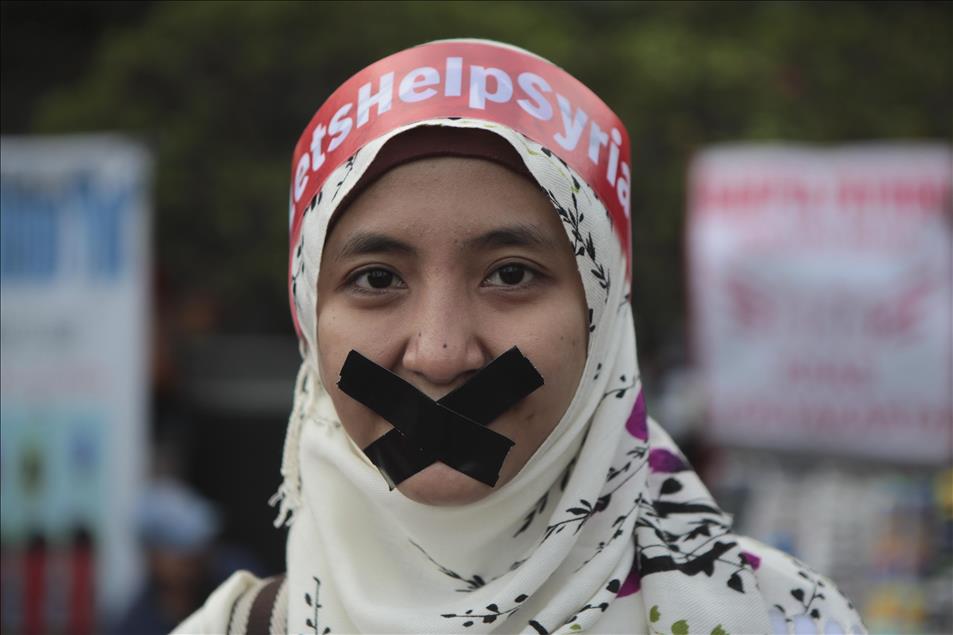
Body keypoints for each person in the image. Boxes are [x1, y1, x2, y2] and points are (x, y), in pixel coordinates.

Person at [175, 39, 867, 634]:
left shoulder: (782, 618)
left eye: (510, 273)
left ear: (601, 316)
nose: (440, 354)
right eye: (377, 279)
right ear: (308, 316)